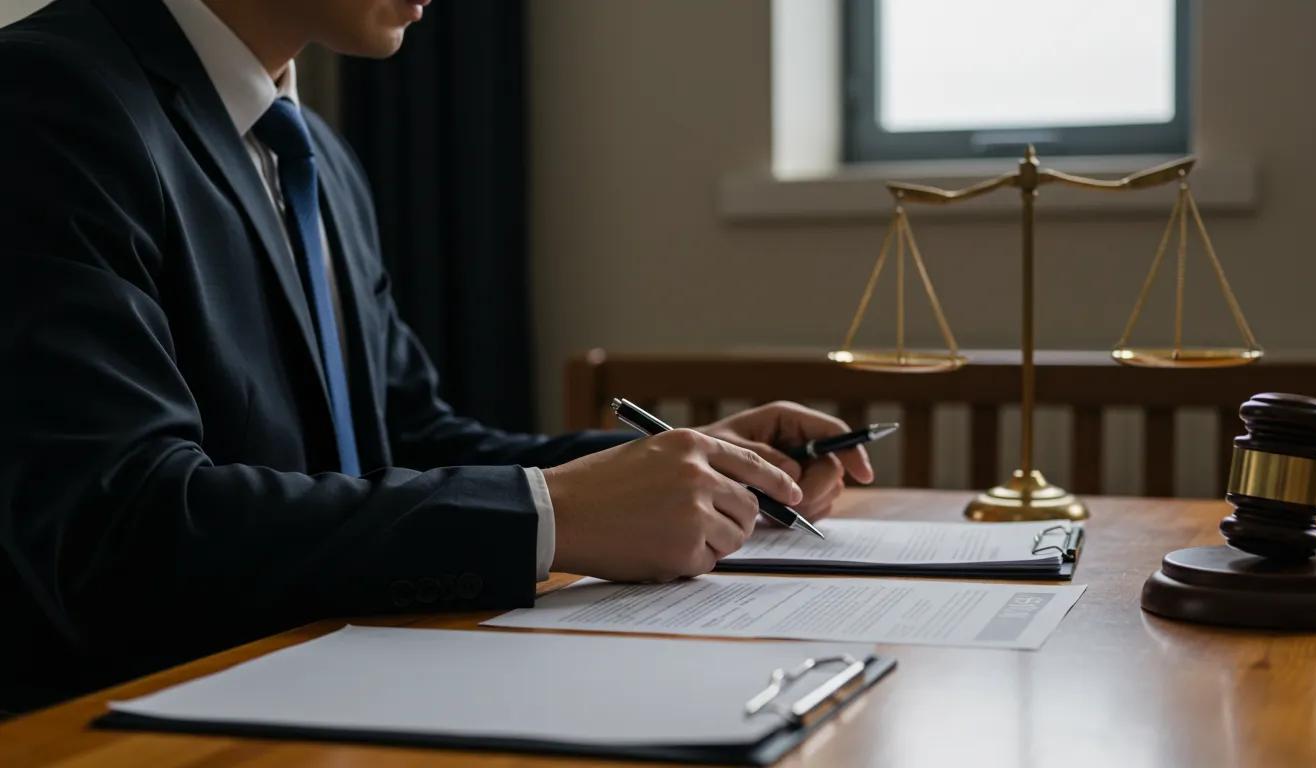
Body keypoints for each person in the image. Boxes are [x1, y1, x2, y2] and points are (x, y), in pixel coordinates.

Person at [0, 0, 873, 712]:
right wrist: (554, 513)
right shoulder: (46, 97)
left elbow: (409, 439)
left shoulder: (316, 156)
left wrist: (682, 467)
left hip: (330, 682)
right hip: (129, 715)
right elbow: (115, 526)